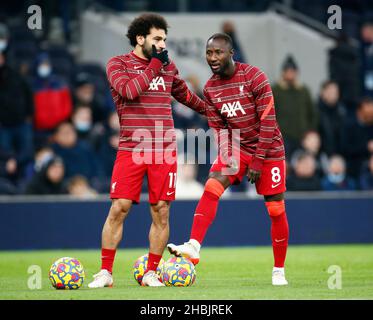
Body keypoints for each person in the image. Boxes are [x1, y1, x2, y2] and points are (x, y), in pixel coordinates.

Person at [88, 13, 207, 288]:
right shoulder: (118, 64)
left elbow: (185, 96)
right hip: (132, 146)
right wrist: (155, 65)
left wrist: (212, 112)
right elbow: (129, 91)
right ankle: (105, 272)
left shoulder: (167, 67)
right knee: (120, 207)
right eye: (157, 38)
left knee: (161, 210)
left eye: (164, 39)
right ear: (140, 39)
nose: (163, 44)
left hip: (164, 149)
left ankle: (152, 272)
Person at [167, 33, 289, 286]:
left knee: (275, 209)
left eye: (218, 52)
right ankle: (194, 245)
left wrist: (257, 161)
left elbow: (268, 122)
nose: (212, 58)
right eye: (209, 53)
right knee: (213, 183)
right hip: (237, 146)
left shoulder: (254, 76)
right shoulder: (210, 88)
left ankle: (278, 269)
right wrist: (227, 155)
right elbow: (219, 128)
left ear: (231, 53)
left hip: (269, 149)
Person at [272, 55, 318, 156]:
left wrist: (310, 132)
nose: (290, 74)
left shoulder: (303, 90)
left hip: (302, 137)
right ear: (283, 73)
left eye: (292, 71)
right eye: (288, 71)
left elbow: (312, 113)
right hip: (283, 138)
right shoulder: (275, 90)